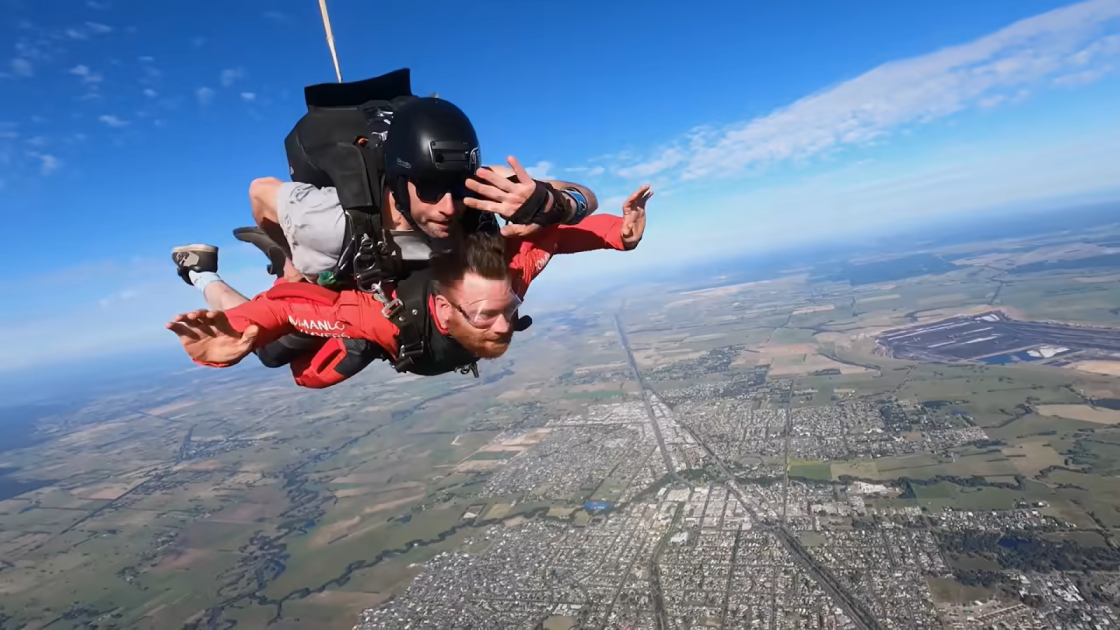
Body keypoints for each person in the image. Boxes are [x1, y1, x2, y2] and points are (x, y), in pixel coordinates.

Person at [167, 185, 652, 387]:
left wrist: (237, 329)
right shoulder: (507, 280)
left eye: (490, 315)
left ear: (445, 308)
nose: (507, 313)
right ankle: (280, 260)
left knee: (278, 356)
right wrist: (618, 235)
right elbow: (553, 239)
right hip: (404, 313)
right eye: (506, 316)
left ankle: (200, 271)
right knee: (279, 330)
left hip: (375, 329)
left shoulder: (385, 320)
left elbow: (285, 309)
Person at [243, 95, 598, 285]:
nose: (449, 206)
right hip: (352, 261)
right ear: (399, 184)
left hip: (431, 283)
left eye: (457, 188)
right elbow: (260, 192)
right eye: (428, 189)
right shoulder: (330, 222)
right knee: (281, 353)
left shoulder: (478, 186)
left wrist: (550, 204)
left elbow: (587, 197)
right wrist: (291, 257)